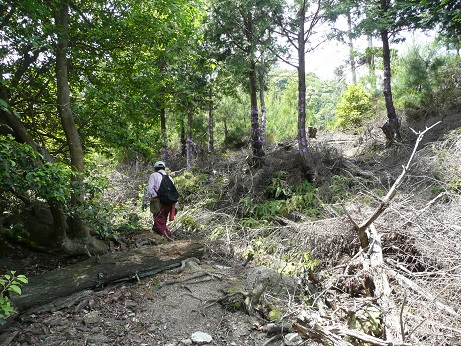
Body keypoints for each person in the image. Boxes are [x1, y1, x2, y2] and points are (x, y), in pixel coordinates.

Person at [142, 161, 176, 239]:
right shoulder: (169, 177)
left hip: (158, 201)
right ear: (164, 168)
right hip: (169, 203)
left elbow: (149, 189)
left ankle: (166, 237)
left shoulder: (154, 175)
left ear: (155, 168)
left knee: (159, 220)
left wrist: (144, 202)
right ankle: (158, 234)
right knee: (162, 220)